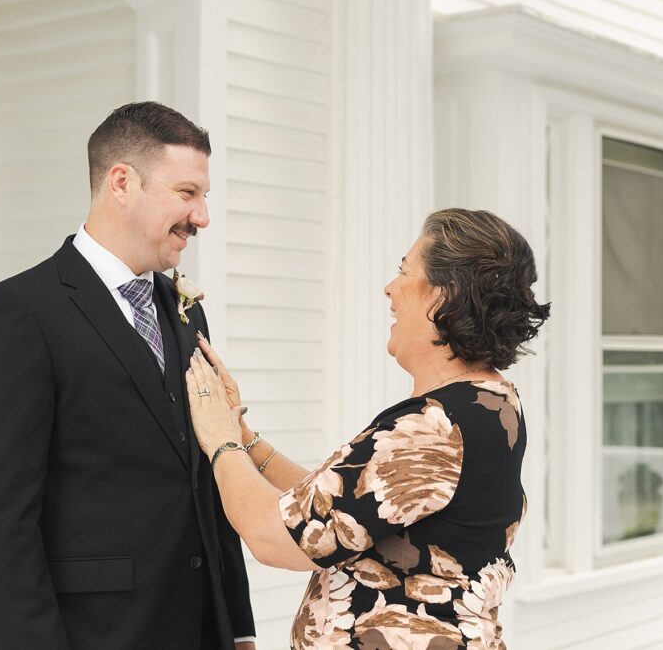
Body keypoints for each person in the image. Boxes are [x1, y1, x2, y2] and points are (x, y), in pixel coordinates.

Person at [0, 102, 256, 650]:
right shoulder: (19, 314)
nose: (202, 216)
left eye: (203, 197)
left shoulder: (186, 312)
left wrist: (238, 628)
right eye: (187, 194)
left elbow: (205, 482)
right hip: (88, 633)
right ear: (121, 182)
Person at [185, 208, 550, 649]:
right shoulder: (489, 405)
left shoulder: (434, 428)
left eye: (404, 270)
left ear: (444, 296)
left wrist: (219, 440)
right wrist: (244, 436)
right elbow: (341, 508)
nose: (389, 288)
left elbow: (274, 537)